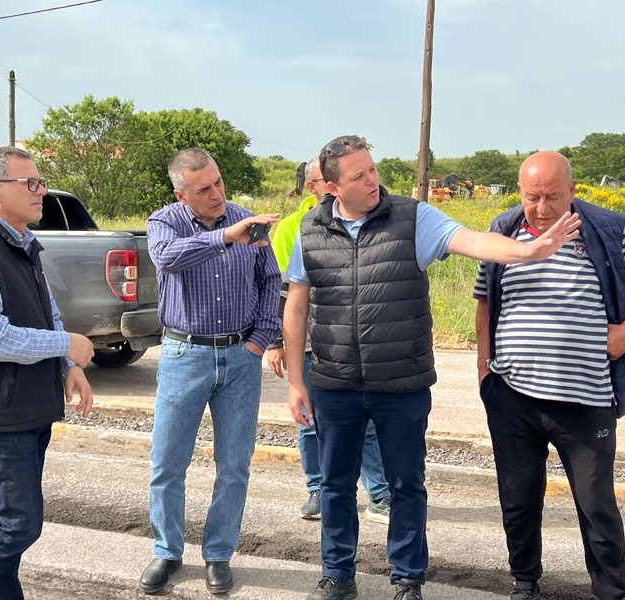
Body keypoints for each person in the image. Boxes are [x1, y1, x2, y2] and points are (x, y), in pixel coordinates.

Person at [282, 135, 581, 600]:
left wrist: (527, 251)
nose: (373, 180)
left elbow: (472, 240)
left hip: (401, 384)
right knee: (336, 484)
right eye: (359, 176)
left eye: (373, 169)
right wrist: (296, 381)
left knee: (406, 485)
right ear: (334, 188)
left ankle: (407, 578)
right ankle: (337, 574)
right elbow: (297, 307)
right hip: (334, 384)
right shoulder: (310, 230)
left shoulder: (413, 218)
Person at [474, 151, 625, 600]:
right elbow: (484, 301)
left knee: (596, 504)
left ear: (573, 190)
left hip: (585, 400)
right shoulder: (502, 230)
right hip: (512, 396)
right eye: (532, 197)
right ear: (519, 192)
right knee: (518, 499)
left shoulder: (607, 229)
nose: (542, 207)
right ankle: (525, 582)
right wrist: (485, 369)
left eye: (552, 196)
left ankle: (609, 591)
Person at [0, 145, 95, 600]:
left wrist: (69, 365)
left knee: (10, 525)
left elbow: (47, 312)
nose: (41, 191)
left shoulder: (22, 243)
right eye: (30, 183)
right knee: (17, 525)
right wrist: (66, 345)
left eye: (40, 182)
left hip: (27, 406)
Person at [140, 148, 281, 595]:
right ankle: (167, 550)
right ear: (181, 195)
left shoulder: (245, 221)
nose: (217, 193)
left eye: (218, 182)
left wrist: (262, 338)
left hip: (240, 356)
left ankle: (219, 554)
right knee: (168, 463)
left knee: (234, 464)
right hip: (185, 354)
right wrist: (225, 238)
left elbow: (270, 280)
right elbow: (167, 258)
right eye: (204, 189)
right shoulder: (165, 222)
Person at [267, 157, 391, 522]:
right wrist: (275, 342)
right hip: (308, 344)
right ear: (315, 187)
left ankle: (379, 493)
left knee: (367, 423)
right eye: (328, 179)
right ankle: (318, 489)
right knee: (310, 423)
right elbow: (280, 289)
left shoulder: (363, 219)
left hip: (352, 344)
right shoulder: (292, 228)